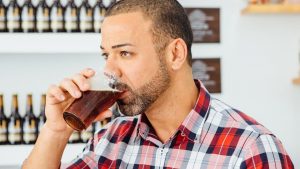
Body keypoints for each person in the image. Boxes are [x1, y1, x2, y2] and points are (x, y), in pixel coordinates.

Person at [23, 0, 294, 168]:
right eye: (107, 55)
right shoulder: (110, 140)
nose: (109, 70)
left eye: (125, 53)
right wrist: (55, 131)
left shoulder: (250, 150)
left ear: (175, 54)